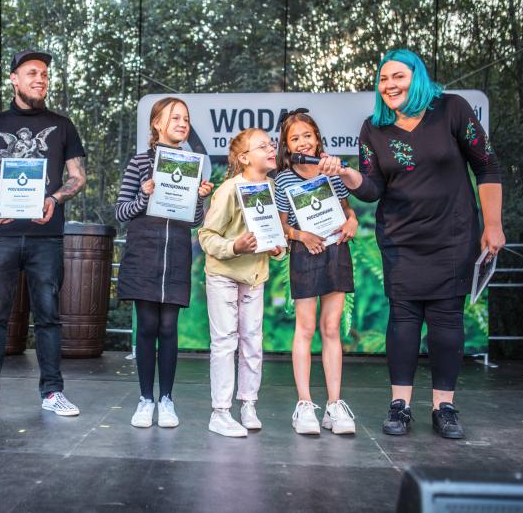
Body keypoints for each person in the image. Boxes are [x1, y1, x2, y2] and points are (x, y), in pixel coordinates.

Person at [319, 48, 504, 439]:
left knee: (446, 322)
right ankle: (399, 406)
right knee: (402, 321)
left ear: (416, 76)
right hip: (401, 240)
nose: (390, 85)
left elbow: (486, 165)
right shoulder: (374, 128)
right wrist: (348, 174)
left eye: (398, 76)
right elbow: (372, 189)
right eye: (383, 79)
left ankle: (444, 408)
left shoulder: (452, 109)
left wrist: (493, 225)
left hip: (453, 237)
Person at [0, 50, 87, 417]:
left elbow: (78, 177)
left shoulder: (63, 126)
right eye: (32, 72)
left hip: (46, 236)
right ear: (14, 79)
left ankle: (52, 393)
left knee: (48, 316)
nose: (40, 79)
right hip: (1, 234)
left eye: (44, 74)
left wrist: (55, 198)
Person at [115, 97, 214, 429]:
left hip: (176, 256)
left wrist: (199, 198)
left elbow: (195, 221)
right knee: (146, 326)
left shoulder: (192, 165)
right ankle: (146, 399)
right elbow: (121, 212)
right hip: (144, 254)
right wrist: (144, 195)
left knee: (169, 328)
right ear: (157, 123)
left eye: (186, 119)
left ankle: (167, 400)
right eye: (175, 118)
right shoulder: (139, 162)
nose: (183, 124)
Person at [274, 110, 358, 435]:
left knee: (332, 328)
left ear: (317, 137)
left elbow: (347, 209)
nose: (302, 142)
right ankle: (305, 405)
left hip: (336, 250)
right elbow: (281, 225)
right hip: (305, 252)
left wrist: (352, 221)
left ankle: (335, 405)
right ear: (287, 145)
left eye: (307, 135)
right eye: (294, 138)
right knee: (306, 328)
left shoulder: (331, 170)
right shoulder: (284, 178)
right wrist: (300, 235)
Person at [198, 128, 285, 438]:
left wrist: (277, 248)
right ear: (244, 158)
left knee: (252, 343)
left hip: (254, 277)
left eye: (271, 144)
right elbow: (206, 236)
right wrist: (235, 246)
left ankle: (248, 405)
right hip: (223, 274)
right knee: (225, 342)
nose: (271, 149)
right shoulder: (228, 190)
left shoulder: (273, 189)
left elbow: (277, 237)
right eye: (262, 146)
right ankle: (220, 413)